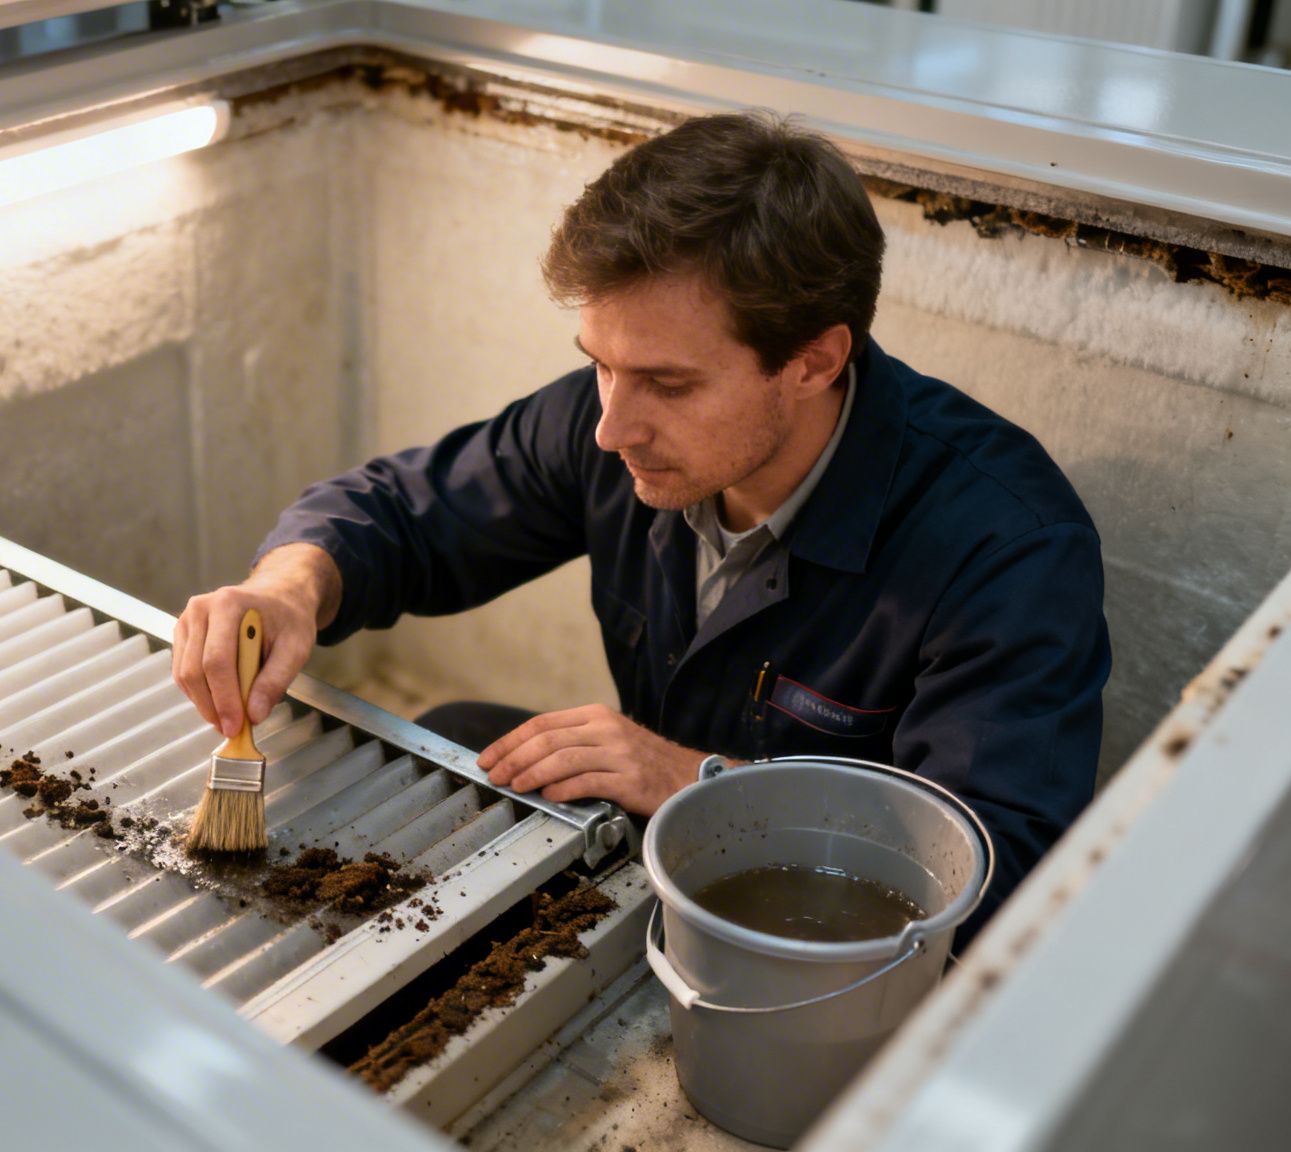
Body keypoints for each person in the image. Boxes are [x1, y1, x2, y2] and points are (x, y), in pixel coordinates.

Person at [172, 111, 1110, 938]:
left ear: (816, 362)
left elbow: (990, 872)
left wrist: (697, 785)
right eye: (600, 365)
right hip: (663, 847)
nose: (612, 427)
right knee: (455, 738)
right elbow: (405, 513)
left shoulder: (1006, 547)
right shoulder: (619, 426)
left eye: (667, 383)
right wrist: (289, 586)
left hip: (811, 931)